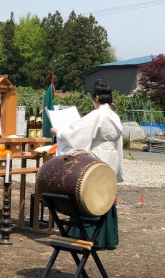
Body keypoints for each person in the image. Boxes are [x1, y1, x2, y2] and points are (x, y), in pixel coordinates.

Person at [50, 83, 123, 250]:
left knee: (91, 193)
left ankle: (86, 236)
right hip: (111, 155)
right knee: (106, 192)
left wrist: (59, 132)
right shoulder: (114, 115)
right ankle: (108, 237)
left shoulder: (97, 115)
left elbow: (76, 132)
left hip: (97, 155)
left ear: (96, 98)